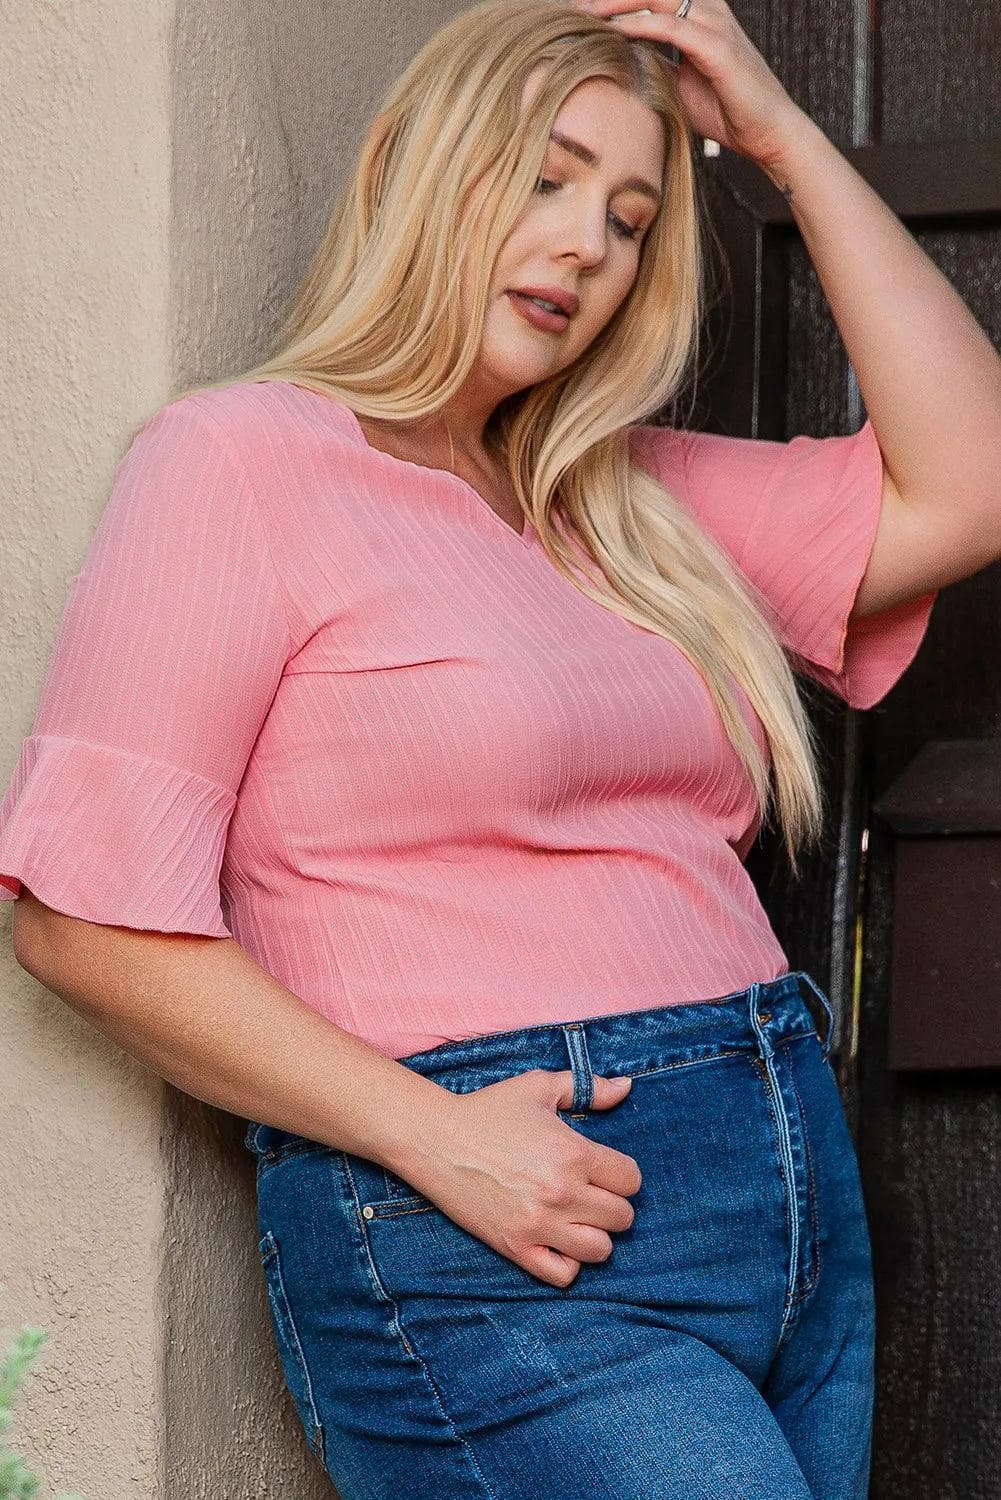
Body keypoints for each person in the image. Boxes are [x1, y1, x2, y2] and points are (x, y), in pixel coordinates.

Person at [3, 0, 999, 1493]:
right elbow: (80, 922)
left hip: (782, 1202)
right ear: (416, 166)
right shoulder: (243, 462)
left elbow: (973, 483)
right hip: (499, 1237)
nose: (586, 244)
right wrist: (433, 1138)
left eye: (629, 217)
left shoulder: (623, 498)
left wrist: (784, 140)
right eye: (544, 177)